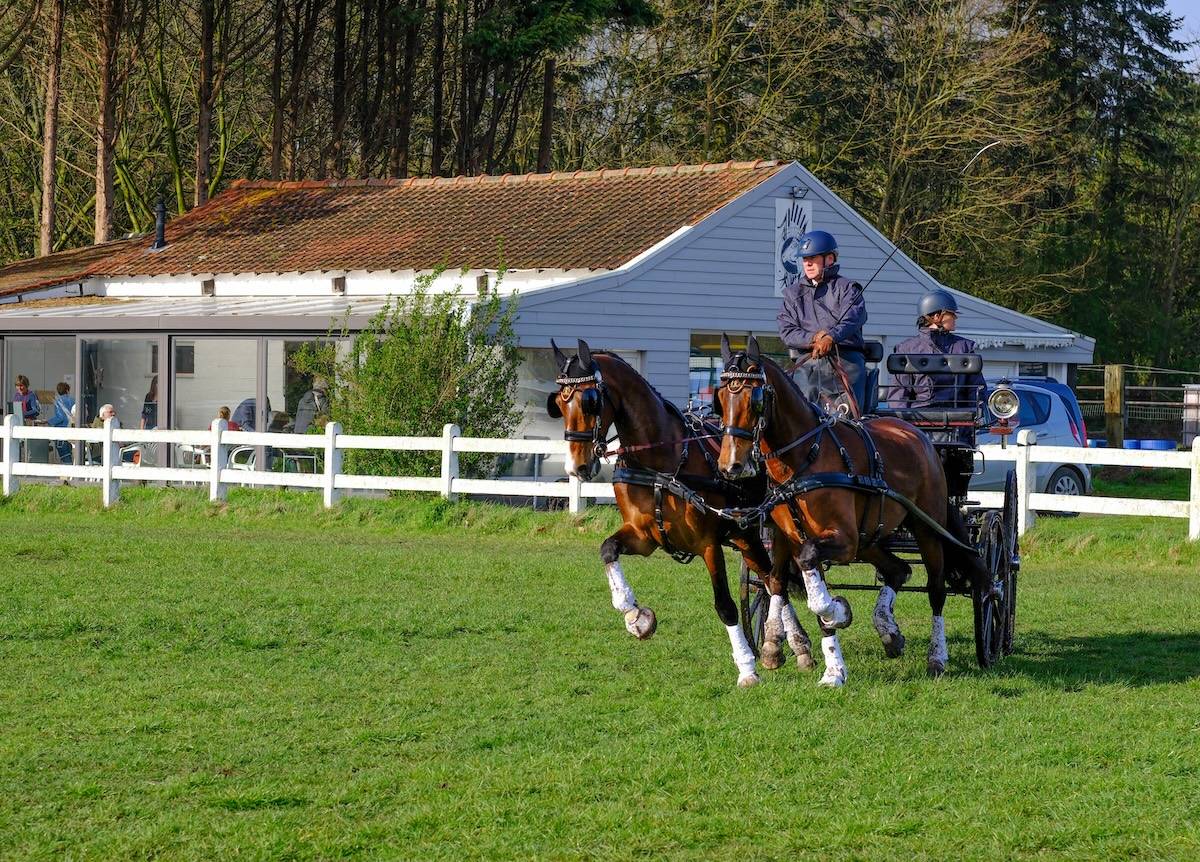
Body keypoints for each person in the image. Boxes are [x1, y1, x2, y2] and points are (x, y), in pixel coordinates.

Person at [776, 230, 868, 413]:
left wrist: (831, 337)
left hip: (845, 362)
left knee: (847, 416)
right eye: (804, 259)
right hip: (807, 363)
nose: (807, 263)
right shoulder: (792, 294)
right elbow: (787, 330)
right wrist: (814, 338)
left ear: (830, 259)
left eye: (813, 258)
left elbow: (853, 318)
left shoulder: (847, 288)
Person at [886, 288, 987, 411]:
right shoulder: (906, 349)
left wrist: (972, 419)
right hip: (918, 421)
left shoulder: (964, 347)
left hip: (959, 421)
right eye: (951, 314)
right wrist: (905, 427)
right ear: (936, 316)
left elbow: (976, 390)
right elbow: (899, 396)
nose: (955, 318)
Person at [47, 382, 77, 464]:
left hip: (61, 431)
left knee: (64, 455)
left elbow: (60, 417)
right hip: (72, 429)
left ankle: (67, 473)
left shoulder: (58, 401)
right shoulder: (73, 400)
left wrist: (49, 422)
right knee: (72, 453)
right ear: (67, 390)